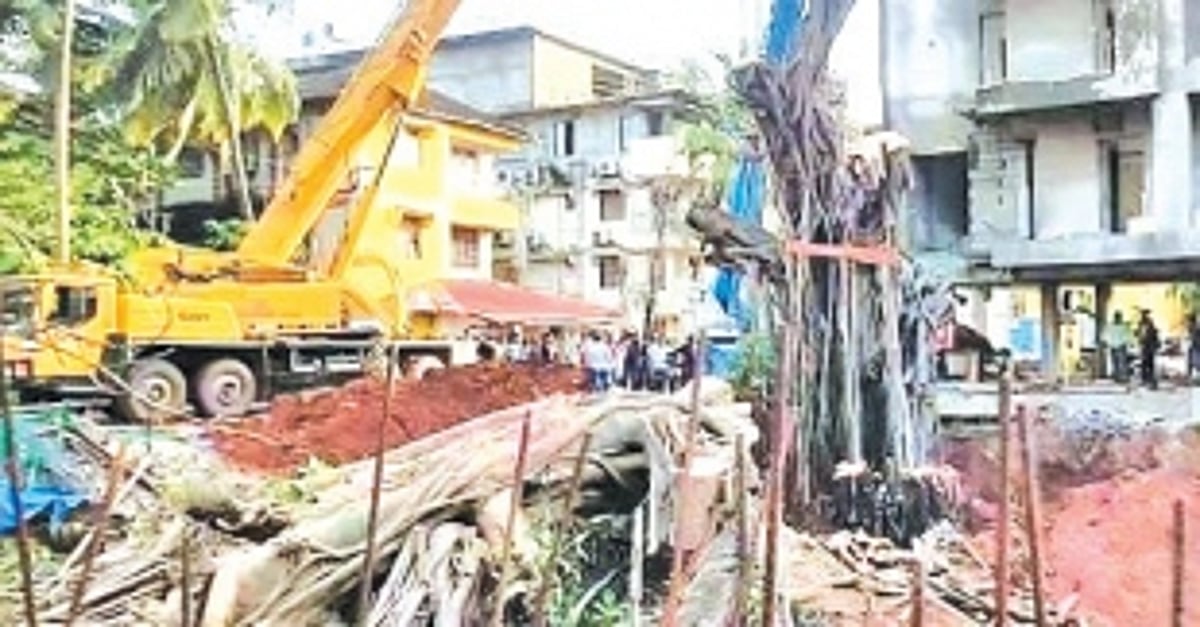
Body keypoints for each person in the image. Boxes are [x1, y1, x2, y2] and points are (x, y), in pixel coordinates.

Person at [1103, 311, 1133, 384]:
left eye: (1118, 317)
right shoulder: (1111, 326)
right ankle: (1118, 376)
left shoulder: (1123, 326)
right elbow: (1105, 336)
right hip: (1116, 346)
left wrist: (1129, 342)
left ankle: (1121, 376)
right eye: (1117, 317)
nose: (1118, 318)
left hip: (1119, 346)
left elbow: (1128, 336)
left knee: (1120, 362)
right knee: (1117, 362)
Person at [1136, 310, 1160, 389]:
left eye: (1143, 315)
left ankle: (1148, 380)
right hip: (1147, 347)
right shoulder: (1146, 324)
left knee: (1147, 363)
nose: (1142, 316)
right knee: (1148, 364)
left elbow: (1143, 336)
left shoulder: (1145, 324)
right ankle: (1148, 380)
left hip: (1147, 347)